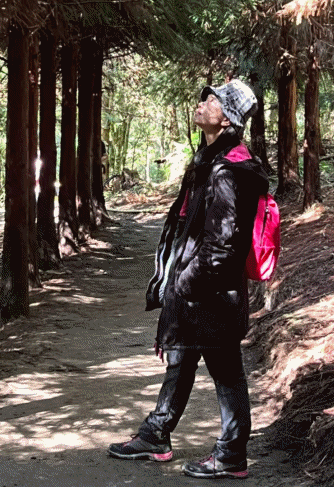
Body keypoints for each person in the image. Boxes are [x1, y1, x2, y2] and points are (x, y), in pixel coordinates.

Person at [108, 79, 269, 479]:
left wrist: (187, 283)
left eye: (213, 100)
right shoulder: (210, 160)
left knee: (226, 372)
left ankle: (231, 454)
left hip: (212, 292)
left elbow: (222, 246)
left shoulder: (231, 170)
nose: (203, 103)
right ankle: (156, 434)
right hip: (196, 288)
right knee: (180, 358)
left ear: (227, 119)